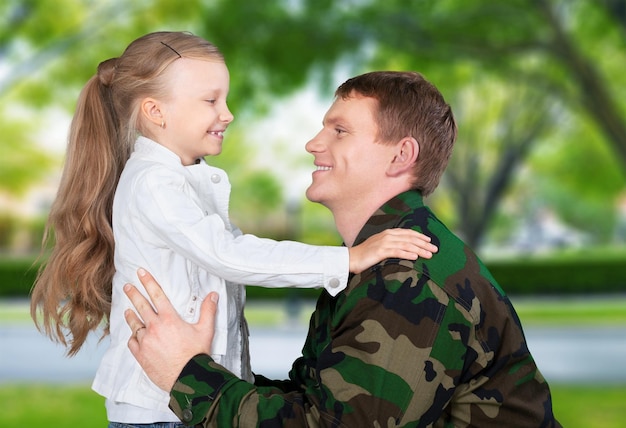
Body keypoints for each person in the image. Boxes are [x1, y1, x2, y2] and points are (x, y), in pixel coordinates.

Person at [29, 34, 437, 428]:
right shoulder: (153, 184)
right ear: (156, 112)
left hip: (186, 403)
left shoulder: (185, 182)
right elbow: (230, 254)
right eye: (210, 101)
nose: (227, 114)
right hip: (162, 410)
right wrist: (347, 259)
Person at [124, 70, 561, 427]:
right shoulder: (374, 260)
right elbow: (315, 399)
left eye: (340, 131)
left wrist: (189, 376)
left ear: (400, 156)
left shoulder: (408, 276)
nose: (314, 144)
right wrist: (195, 364)